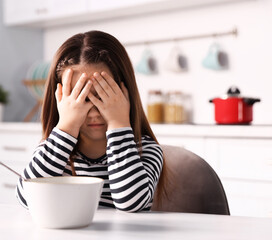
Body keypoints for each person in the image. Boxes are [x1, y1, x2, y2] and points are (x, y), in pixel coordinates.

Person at [16, 30, 164, 212]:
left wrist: (118, 123)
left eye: (103, 97)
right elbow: (27, 199)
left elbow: (131, 203)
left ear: (125, 95)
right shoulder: (56, 153)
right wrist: (66, 127)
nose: (94, 113)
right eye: (81, 98)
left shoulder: (146, 151)